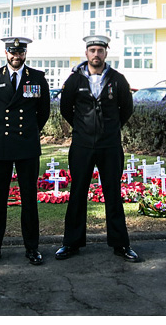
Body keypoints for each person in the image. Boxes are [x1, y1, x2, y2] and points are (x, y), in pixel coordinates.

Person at [55, 34, 141, 262]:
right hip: (82, 146)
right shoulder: (74, 80)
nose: (96, 54)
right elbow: (65, 109)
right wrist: (83, 128)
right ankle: (71, 243)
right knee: (77, 193)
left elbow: (126, 109)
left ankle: (121, 245)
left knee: (113, 194)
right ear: (86, 53)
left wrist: (109, 128)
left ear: (105, 53)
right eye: (92, 50)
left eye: (100, 50)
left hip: (109, 146)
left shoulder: (117, 79)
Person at [0, 36, 50, 267]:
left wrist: (29, 131)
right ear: (6, 52)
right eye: (13, 52)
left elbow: (44, 112)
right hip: (1, 146)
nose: (16, 56)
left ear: (25, 54)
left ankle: (32, 248)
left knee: (29, 199)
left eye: (20, 53)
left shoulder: (37, 78)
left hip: (27, 146)